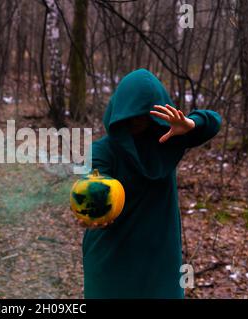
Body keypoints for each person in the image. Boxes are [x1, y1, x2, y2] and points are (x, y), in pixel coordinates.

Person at [82, 68, 222, 298]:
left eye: (144, 113)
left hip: (160, 262)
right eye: (132, 113)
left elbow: (213, 121)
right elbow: (94, 181)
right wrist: (95, 202)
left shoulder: (167, 140)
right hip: (111, 259)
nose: (137, 119)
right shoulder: (103, 150)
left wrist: (190, 124)